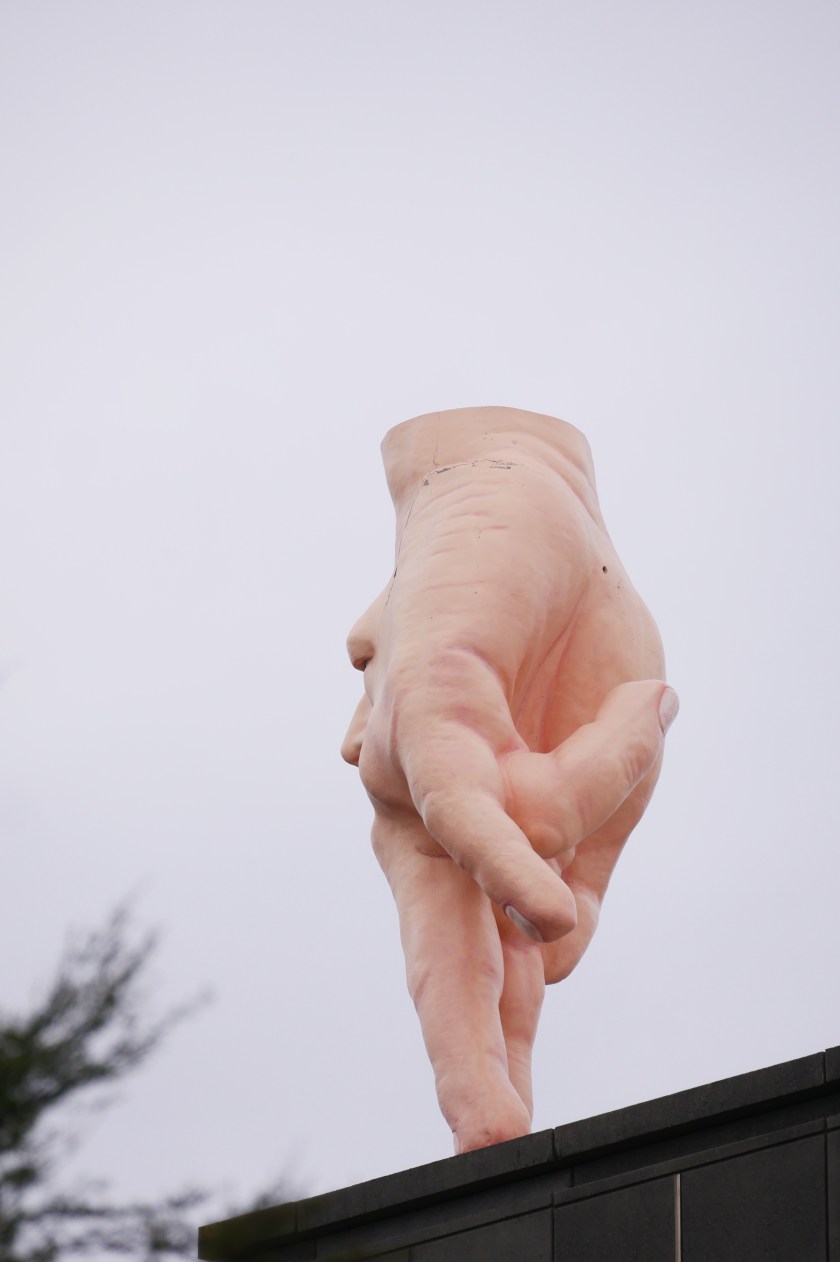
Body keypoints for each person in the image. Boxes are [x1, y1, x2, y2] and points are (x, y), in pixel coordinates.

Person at [341, 406, 678, 1156]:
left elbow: (405, 671)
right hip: (524, 536)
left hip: (485, 511)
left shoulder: (486, 514)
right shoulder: (492, 541)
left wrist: (429, 694)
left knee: (464, 860)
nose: (348, 749)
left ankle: (485, 1100)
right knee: (479, 875)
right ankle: (488, 1108)